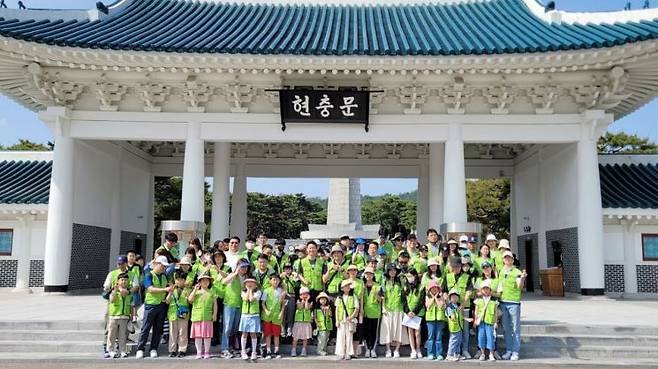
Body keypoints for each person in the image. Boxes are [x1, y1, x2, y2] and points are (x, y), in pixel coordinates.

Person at [136, 255, 173, 359]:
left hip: (162, 305)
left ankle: (153, 348)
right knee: (146, 328)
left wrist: (169, 291)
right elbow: (150, 289)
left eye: (165, 266)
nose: (164, 268)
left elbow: (170, 287)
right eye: (162, 265)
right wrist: (165, 290)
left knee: (158, 329)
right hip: (150, 305)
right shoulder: (149, 275)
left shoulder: (165, 275)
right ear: (156, 264)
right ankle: (140, 349)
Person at [498, 249, 527, 361]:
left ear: (512, 260)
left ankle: (515, 351)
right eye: (505, 258)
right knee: (506, 328)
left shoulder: (517, 272)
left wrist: (523, 278)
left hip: (514, 303)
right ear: (503, 260)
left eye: (509, 258)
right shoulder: (501, 271)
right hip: (503, 302)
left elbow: (520, 287)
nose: (507, 259)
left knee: (515, 328)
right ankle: (508, 349)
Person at [443, 257, 474, 360]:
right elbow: (444, 291)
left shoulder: (467, 276)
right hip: (452, 308)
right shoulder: (447, 276)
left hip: (464, 307)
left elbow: (469, 291)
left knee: (464, 330)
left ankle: (463, 350)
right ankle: (452, 352)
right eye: (453, 267)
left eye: (457, 266)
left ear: (461, 266)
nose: (455, 268)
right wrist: (448, 305)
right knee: (454, 330)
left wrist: (464, 303)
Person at [220, 258, 250, 358]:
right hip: (230, 304)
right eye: (242, 266)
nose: (244, 268)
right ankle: (224, 348)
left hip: (240, 305)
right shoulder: (233, 275)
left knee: (235, 328)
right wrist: (235, 273)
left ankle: (231, 347)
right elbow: (224, 282)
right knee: (227, 327)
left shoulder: (247, 277)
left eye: (246, 266)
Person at [188, 272, 217, 359]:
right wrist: (195, 290)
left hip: (207, 316)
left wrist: (214, 314)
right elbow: (190, 300)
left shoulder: (212, 292)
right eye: (203, 280)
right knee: (198, 336)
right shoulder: (196, 292)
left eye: (207, 280)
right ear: (199, 282)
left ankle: (207, 352)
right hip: (197, 317)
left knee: (207, 335)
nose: (205, 282)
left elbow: (215, 304)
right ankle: (199, 352)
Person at [380, 263, 405, 358]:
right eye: (391, 270)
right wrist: (383, 308)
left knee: (398, 330)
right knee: (387, 330)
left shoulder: (400, 282)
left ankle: (397, 350)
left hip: (398, 308)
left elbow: (404, 294)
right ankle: (388, 349)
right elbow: (381, 296)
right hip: (387, 309)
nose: (393, 272)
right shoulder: (384, 282)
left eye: (394, 270)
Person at [166, 270, 191, 358]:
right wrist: (170, 292)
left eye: (181, 279)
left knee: (183, 333)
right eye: (177, 279)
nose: (179, 281)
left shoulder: (188, 289)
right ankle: (172, 350)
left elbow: (190, 301)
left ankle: (182, 350)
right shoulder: (172, 289)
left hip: (183, 314)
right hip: (172, 314)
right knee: (172, 333)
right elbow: (167, 301)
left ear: (184, 280)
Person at [106, 272, 131, 358]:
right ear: (118, 281)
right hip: (114, 316)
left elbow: (131, 303)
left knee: (122, 335)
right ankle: (110, 350)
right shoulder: (114, 290)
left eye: (126, 280)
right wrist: (115, 290)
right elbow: (112, 300)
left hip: (124, 316)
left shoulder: (128, 291)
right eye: (122, 280)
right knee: (112, 334)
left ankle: (122, 350)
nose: (124, 282)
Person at [209, 250, 231, 346]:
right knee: (215, 318)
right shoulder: (210, 269)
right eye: (216, 257)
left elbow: (229, 277)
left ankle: (226, 339)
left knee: (226, 319)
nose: (218, 258)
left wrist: (218, 270)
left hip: (225, 296)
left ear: (223, 257)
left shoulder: (228, 268)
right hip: (214, 296)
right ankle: (215, 338)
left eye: (219, 256)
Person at [474, 279, 499, 362]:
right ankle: (482, 353)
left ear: (490, 290)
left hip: (490, 322)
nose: (485, 290)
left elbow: (496, 312)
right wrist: (475, 320)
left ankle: (491, 354)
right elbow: (476, 311)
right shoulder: (479, 299)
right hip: (481, 322)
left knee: (490, 338)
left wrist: (496, 322)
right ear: (481, 290)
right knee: (481, 337)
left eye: (487, 288)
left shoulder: (493, 300)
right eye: (484, 289)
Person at [261, 273, 285, 359]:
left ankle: (276, 350)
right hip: (267, 316)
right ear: (270, 281)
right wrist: (266, 310)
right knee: (267, 334)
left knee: (276, 334)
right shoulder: (266, 290)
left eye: (277, 280)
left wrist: (281, 312)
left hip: (277, 315)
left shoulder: (281, 291)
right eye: (274, 279)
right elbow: (263, 303)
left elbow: (283, 304)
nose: (275, 281)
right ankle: (268, 351)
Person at [445, 289, 472, 361]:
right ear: (450, 298)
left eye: (456, 297)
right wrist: (452, 317)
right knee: (453, 341)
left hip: (459, 327)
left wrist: (466, 319)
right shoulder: (449, 306)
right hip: (454, 327)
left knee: (459, 341)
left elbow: (460, 316)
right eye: (453, 297)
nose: (455, 298)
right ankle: (449, 354)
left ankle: (457, 354)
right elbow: (450, 315)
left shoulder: (458, 306)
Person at [335, 280, 359, 360]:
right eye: (346, 286)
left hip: (349, 320)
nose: (348, 287)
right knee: (341, 336)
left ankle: (348, 353)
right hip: (341, 319)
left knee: (349, 337)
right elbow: (337, 309)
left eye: (348, 285)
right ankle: (341, 353)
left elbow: (356, 308)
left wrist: (352, 317)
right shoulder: (339, 297)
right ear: (342, 288)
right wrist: (337, 320)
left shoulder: (353, 296)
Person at [362, 266, 383, 358]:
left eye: (370, 274)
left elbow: (381, 300)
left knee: (374, 332)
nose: (368, 275)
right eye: (367, 274)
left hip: (375, 312)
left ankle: (373, 349)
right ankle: (367, 349)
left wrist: (376, 295)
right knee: (366, 331)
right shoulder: (362, 285)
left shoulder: (378, 286)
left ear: (373, 275)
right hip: (365, 312)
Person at [403, 269, 425, 359]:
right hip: (408, 313)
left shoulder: (421, 287)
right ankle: (413, 350)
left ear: (415, 276)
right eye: (408, 276)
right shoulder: (405, 287)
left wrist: (414, 312)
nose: (409, 278)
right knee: (410, 332)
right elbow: (403, 301)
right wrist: (408, 311)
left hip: (418, 312)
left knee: (417, 332)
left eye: (411, 276)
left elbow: (421, 301)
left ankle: (418, 349)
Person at [240, 278, 262, 361]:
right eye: (248, 283)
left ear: (255, 285)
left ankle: (254, 352)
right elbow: (246, 299)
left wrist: (250, 291)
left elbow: (251, 299)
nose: (250, 284)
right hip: (245, 315)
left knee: (253, 333)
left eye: (252, 283)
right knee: (244, 333)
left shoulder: (258, 292)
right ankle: (243, 351)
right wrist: (248, 290)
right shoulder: (243, 292)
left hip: (254, 315)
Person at [425, 281, 446, 361]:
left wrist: (436, 297)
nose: (434, 289)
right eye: (432, 288)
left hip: (440, 319)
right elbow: (428, 306)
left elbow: (440, 306)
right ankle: (430, 354)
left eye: (436, 288)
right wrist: (433, 297)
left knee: (438, 337)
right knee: (430, 338)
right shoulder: (427, 297)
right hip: (430, 319)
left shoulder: (441, 297)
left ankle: (439, 354)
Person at [291, 287, 313, 357]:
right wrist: (303, 301)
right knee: (295, 337)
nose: (304, 295)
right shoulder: (298, 301)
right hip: (298, 322)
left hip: (306, 322)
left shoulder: (310, 302)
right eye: (303, 294)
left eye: (306, 294)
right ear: (300, 295)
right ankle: (293, 349)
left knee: (305, 337)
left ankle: (304, 350)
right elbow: (300, 307)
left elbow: (307, 307)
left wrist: (307, 301)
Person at [280, 264, 301, 337]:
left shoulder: (293, 277)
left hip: (292, 296)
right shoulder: (281, 277)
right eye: (286, 269)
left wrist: (296, 277)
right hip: (283, 296)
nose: (287, 270)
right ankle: (282, 332)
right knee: (283, 314)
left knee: (290, 314)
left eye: (289, 269)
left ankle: (289, 331)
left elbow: (297, 286)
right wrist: (280, 276)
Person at [315, 292, 334, 356]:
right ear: (319, 301)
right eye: (321, 299)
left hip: (328, 325)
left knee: (326, 338)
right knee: (321, 338)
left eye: (324, 299)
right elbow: (315, 317)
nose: (323, 301)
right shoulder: (317, 309)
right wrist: (317, 323)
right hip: (321, 325)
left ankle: (324, 349)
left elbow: (330, 315)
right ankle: (320, 350)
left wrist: (328, 310)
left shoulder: (329, 307)